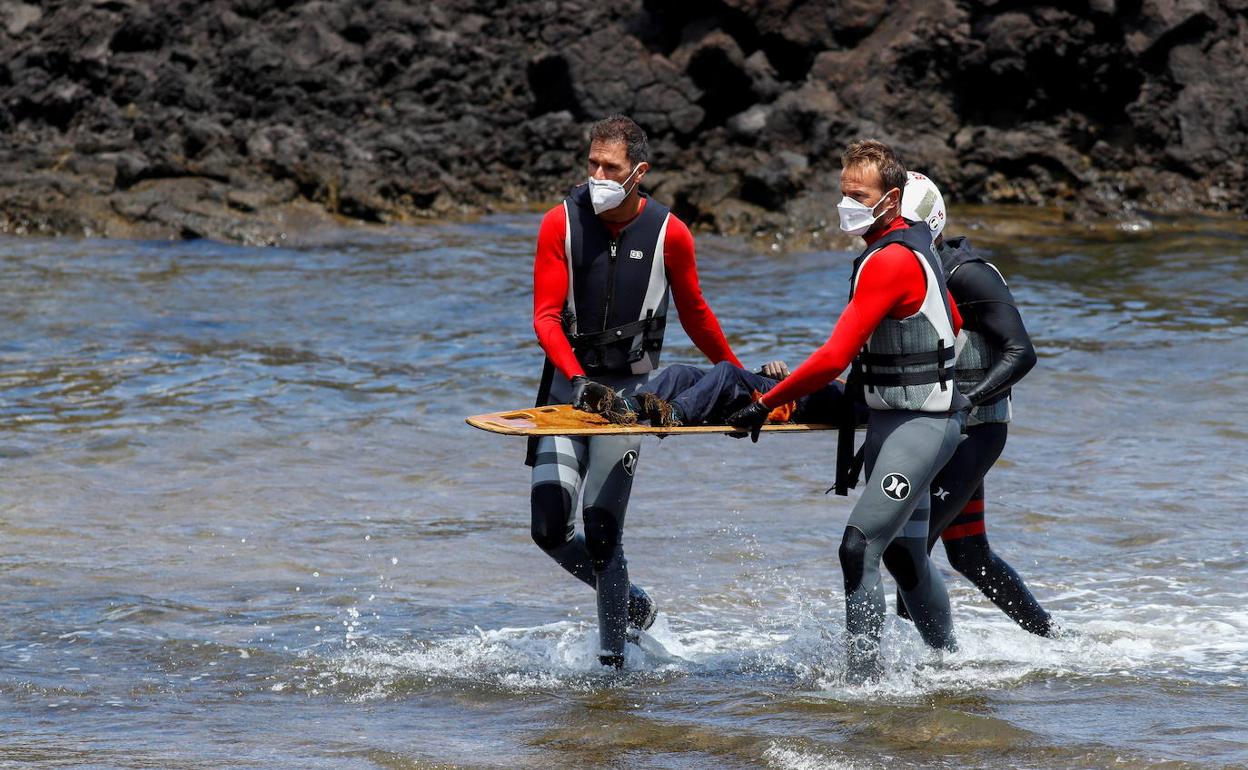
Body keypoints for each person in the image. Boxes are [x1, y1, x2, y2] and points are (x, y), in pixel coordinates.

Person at [726, 140, 967, 683]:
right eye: (843, 193)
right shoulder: (909, 250)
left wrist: (765, 403)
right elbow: (952, 320)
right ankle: (950, 666)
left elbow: (834, 354)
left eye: (859, 196)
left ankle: (864, 684)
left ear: (893, 200)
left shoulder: (891, 262)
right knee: (904, 558)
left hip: (923, 427)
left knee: (858, 547)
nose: (847, 205)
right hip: (890, 421)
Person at [528, 115, 743, 668]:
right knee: (549, 528)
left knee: (602, 531)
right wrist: (576, 380)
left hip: (627, 396)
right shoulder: (561, 223)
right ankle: (635, 606)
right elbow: (546, 318)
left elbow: (696, 313)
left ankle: (611, 665)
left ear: (638, 172)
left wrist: (740, 378)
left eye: (611, 167)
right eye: (592, 163)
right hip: (565, 389)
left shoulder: (672, 233)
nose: (597, 174)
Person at [895, 172, 1056, 636]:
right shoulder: (909, 271)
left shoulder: (968, 273)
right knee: (968, 554)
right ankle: (1054, 642)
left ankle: (915, 664)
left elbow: (1021, 352)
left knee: (909, 549)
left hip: (974, 432)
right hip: (937, 432)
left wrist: (965, 404)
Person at [576, 359, 851, 429]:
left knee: (726, 372)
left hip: (773, 402)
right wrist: (778, 373)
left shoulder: (851, 395)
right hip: (775, 388)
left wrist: (788, 381)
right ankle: (629, 406)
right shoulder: (841, 378)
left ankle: (674, 414)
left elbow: (809, 402)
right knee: (681, 372)